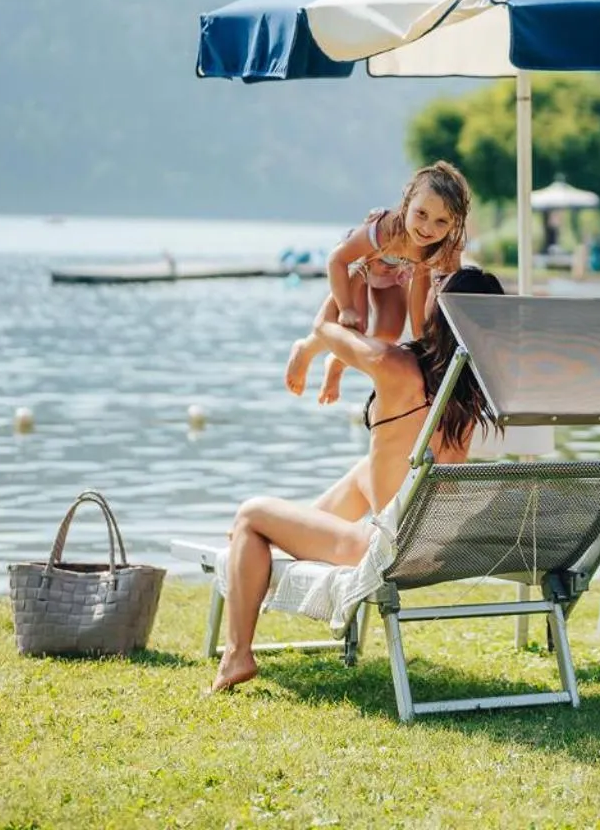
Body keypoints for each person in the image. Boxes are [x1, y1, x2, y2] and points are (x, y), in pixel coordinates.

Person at [212, 266, 506, 693]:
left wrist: (352, 273)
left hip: (381, 550)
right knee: (364, 471)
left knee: (250, 513)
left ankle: (237, 655)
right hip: (430, 544)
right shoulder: (471, 386)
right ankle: (284, 533)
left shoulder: (396, 366)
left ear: (440, 310)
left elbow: (324, 327)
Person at [284, 162, 472, 405]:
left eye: (441, 222)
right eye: (421, 214)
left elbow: (419, 288)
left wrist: (420, 341)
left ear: (454, 224)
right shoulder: (386, 229)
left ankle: (337, 361)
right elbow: (337, 260)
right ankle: (305, 349)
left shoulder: (443, 247)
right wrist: (347, 307)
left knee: (387, 335)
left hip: (393, 275)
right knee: (352, 326)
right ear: (407, 204)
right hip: (360, 264)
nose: (427, 228)